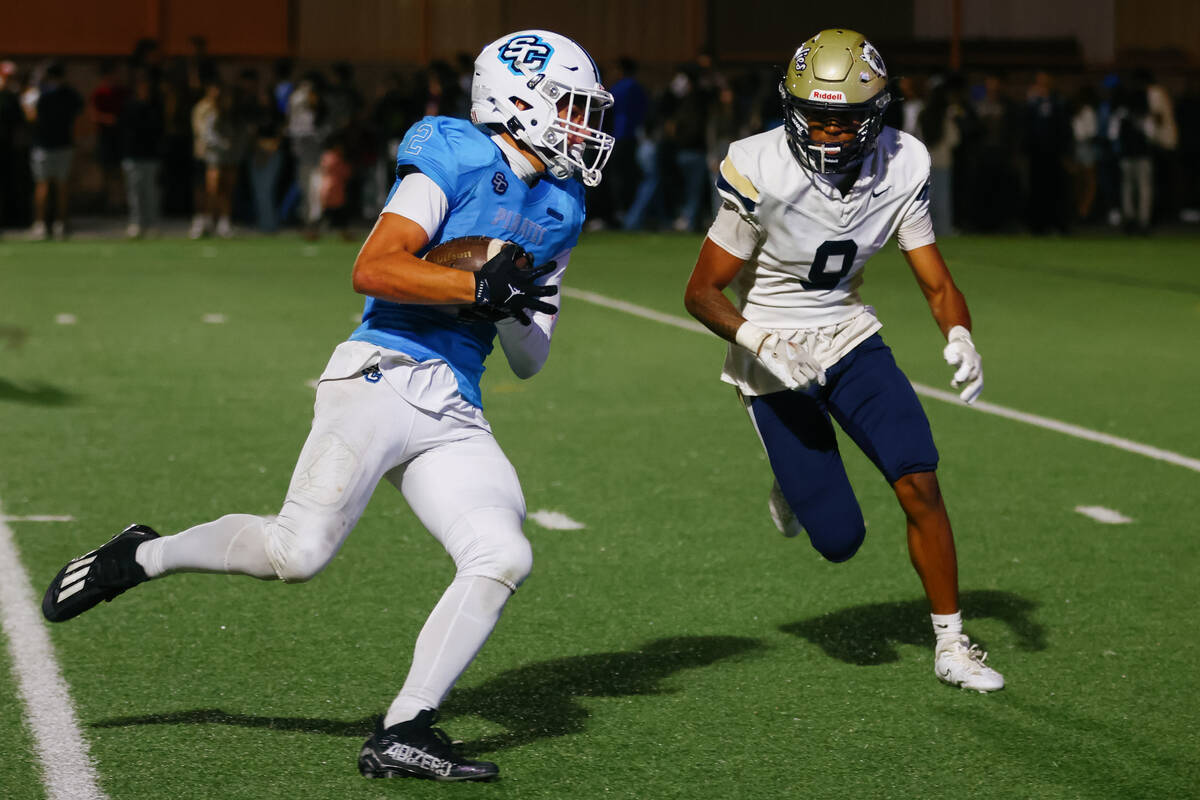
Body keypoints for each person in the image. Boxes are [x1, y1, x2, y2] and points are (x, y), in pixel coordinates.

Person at [41, 29, 613, 782]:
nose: (585, 125)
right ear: (519, 100)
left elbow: (531, 358)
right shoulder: (458, 155)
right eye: (572, 107)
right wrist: (476, 283)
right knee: (296, 555)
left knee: (503, 553)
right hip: (379, 373)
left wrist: (509, 303)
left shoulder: (563, 204)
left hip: (453, 405)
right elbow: (373, 266)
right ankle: (141, 554)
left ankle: (406, 726)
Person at [683, 29, 1003, 693]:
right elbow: (701, 292)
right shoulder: (758, 165)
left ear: (876, 115)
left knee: (920, 481)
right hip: (772, 352)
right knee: (839, 540)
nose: (829, 134)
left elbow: (936, 280)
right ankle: (792, 475)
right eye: (817, 118)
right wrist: (758, 342)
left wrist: (960, 333)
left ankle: (951, 643)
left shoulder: (902, 164)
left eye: (846, 120)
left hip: (851, 337)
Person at [27, 61, 82, 240]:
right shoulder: (67, 94)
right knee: (58, 186)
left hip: (47, 145)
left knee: (46, 185)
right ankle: (57, 223)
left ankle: (43, 224)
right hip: (59, 145)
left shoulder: (40, 93)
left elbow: (30, 115)